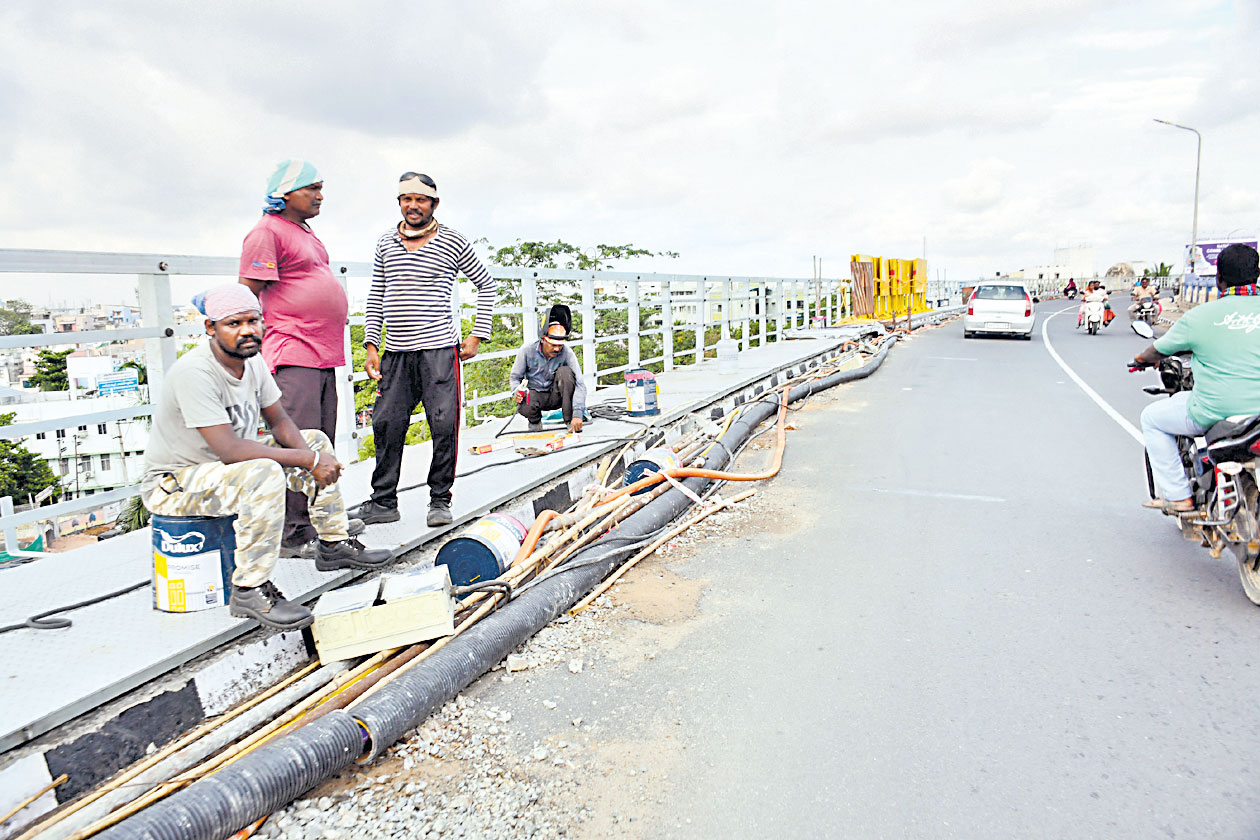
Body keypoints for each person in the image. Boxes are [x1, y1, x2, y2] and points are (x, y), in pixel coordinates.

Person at [142, 285, 394, 630]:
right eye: (233, 323)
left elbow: (279, 420)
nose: (247, 330)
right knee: (266, 472)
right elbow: (230, 450)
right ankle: (250, 588)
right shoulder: (195, 373)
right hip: (174, 484)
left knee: (314, 440)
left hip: (224, 472)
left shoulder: (252, 362)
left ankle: (334, 545)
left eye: (253, 321)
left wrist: (312, 454)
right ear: (210, 328)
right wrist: (307, 462)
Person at [352, 172, 497, 529]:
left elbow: (487, 285)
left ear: (434, 203)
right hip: (396, 352)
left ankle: (439, 499)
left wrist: (477, 336)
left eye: (420, 199)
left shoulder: (452, 242)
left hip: (438, 353)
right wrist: (372, 344)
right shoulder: (386, 243)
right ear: (399, 203)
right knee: (386, 423)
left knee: (443, 424)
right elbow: (376, 297)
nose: (413, 206)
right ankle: (383, 501)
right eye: (406, 199)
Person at [238, 160, 363, 559]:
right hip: (293, 351)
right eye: (313, 188)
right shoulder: (266, 232)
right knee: (299, 441)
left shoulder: (303, 231)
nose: (320, 196)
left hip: (322, 353)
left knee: (321, 440)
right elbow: (247, 294)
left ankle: (324, 523)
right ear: (286, 193)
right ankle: (294, 532)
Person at [1133, 244, 1260, 513]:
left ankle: (1179, 496)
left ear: (1219, 279)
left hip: (1215, 412)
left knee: (1152, 419)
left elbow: (1159, 349)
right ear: (1257, 274)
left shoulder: (1200, 317)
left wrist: (1142, 360)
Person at [510, 305, 587, 433]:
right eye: (553, 345)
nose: (557, 349)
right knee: (526, 402)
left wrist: (577, 414)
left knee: (566, 373)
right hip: (535, 396)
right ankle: (534, 421)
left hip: (557, 395)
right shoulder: (527, 350)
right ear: (543, 339)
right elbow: (514, 377)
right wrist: (516, 391)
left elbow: (580, 384)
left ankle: (569, 421)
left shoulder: (567, 353)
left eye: (560, 345)